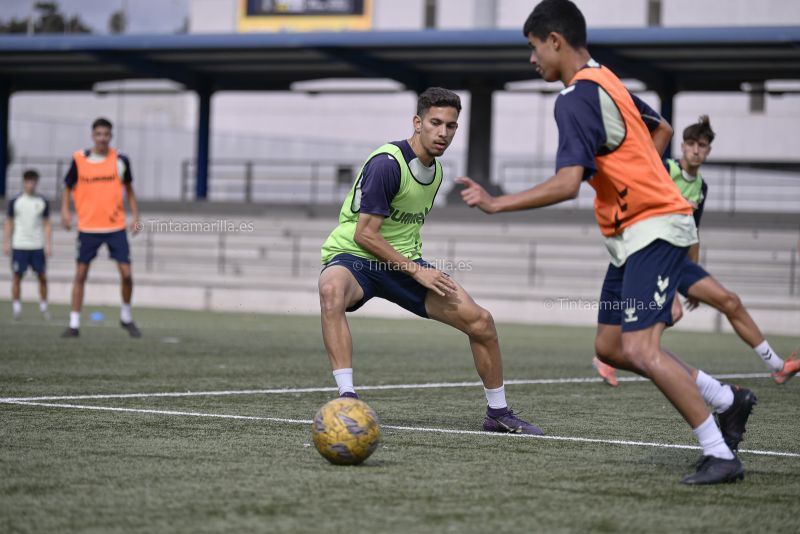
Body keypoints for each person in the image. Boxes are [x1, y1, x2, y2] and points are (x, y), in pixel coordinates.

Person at [456, 0, 753, 484]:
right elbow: (660, 128)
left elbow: (568, 182)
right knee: (611, 346)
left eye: (533, 48)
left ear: (555, 40)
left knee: (640, 349)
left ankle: (720, 453)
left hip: (654, 227)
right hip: (631, 233)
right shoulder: (606, 80)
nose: (532, 60)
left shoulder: (574, 98)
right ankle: (727, 398)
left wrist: (496, 203)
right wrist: (638, 174)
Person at [318, 87, 543, 435]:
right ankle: (347, 397)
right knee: (331, 289)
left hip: (405, 263)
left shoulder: (435, 172)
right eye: (436, 123)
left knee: (481, 322)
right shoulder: (387, 164)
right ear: (417, 122)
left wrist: (413, 267)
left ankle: (498, 413)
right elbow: (365, 234)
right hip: (356, 257)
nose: (443, 133)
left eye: (451, 126)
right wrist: (416, 271)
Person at [592, 116, 799, 386]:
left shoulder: (702, 188)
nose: (696, 150)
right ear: (682, 146)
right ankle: (613, 356)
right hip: (651, 254)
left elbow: (693, 232)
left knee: (730, 302)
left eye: (702, 145)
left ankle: (778, 366)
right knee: (673, 312)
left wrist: (693, 277)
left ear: (708, 150)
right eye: (691, 144)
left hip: (678, 260)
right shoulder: (663, 170)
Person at [60, 117, 141, 338]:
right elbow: (67, 187)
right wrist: (65, 211)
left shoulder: (120, 160)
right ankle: (74, 324)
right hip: (88, 227)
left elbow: (130, 190)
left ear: (111, 136)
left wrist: (136, 216)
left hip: (115, 226)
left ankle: (126, 317)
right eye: (99, 134)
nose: (102, 138)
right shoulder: (79, 159)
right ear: (93, 135)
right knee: (80, 275)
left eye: (106, 134)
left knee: (126, 275)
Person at [3, 169, 52, 321]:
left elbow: (46, 224)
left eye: (33, 181)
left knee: (42, 277)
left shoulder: (42, 201)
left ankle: (44, 307)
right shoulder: (15, 201)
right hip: (19, 245)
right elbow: (9, 223)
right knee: (17, 277)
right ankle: (17, 308)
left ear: (36, 182)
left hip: (37, 245)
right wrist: (6, 242)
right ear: (24, 182)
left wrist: (48, 244)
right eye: (28, 181)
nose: (31, 184)